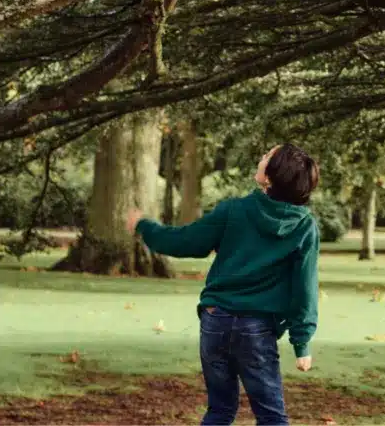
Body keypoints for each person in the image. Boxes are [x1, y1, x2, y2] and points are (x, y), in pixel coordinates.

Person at [126, 143, 320, 426]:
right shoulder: (305, 227)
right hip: (256, 331)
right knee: (272, 417)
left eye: (267, 156)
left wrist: (144, 226)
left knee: (220, 410)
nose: (261, 158)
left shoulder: (234, 210)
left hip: (215, 322)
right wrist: (302, 343)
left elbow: (184, 241)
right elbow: (304, 289)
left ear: (271, 177)